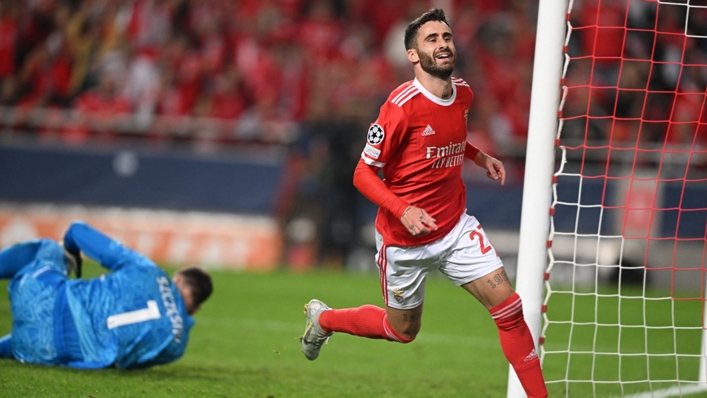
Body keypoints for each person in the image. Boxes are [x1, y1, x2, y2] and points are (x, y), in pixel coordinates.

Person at [299, 8, 547, 398]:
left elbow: (446, 137)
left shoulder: (463, 93)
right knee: (402, 331)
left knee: (510, 310)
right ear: (413, 55)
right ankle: (325, 320)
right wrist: (403, 209)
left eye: (446, 37)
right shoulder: (398, 108)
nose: (443, 44)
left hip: (455, 227)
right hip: (405, 240)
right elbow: (362, 173)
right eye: (431, 39)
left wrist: (479, 156)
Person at [0, 220, 213, 370]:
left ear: (176, 279)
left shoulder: (151, 271)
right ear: (196, 308)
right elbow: (123, 363)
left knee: (49, 249)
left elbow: (77, 230)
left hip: (43, 297)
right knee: (47, 336)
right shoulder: (177, 346)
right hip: (44, 351)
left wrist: (70, 254)